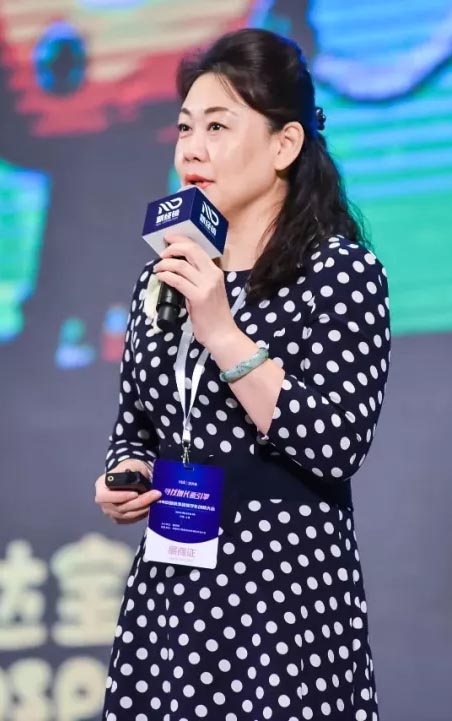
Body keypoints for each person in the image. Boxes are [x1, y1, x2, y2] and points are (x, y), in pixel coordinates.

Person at [95, 27, 390, 721]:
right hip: (171, 596)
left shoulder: (341, 273)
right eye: (185, 127)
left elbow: (333, 443)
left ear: (284, 146)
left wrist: (222, 329)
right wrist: (124, 474)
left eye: (218, 127)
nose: (191, 149)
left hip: (281, 600)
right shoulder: (164, 277)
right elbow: (135, 425)